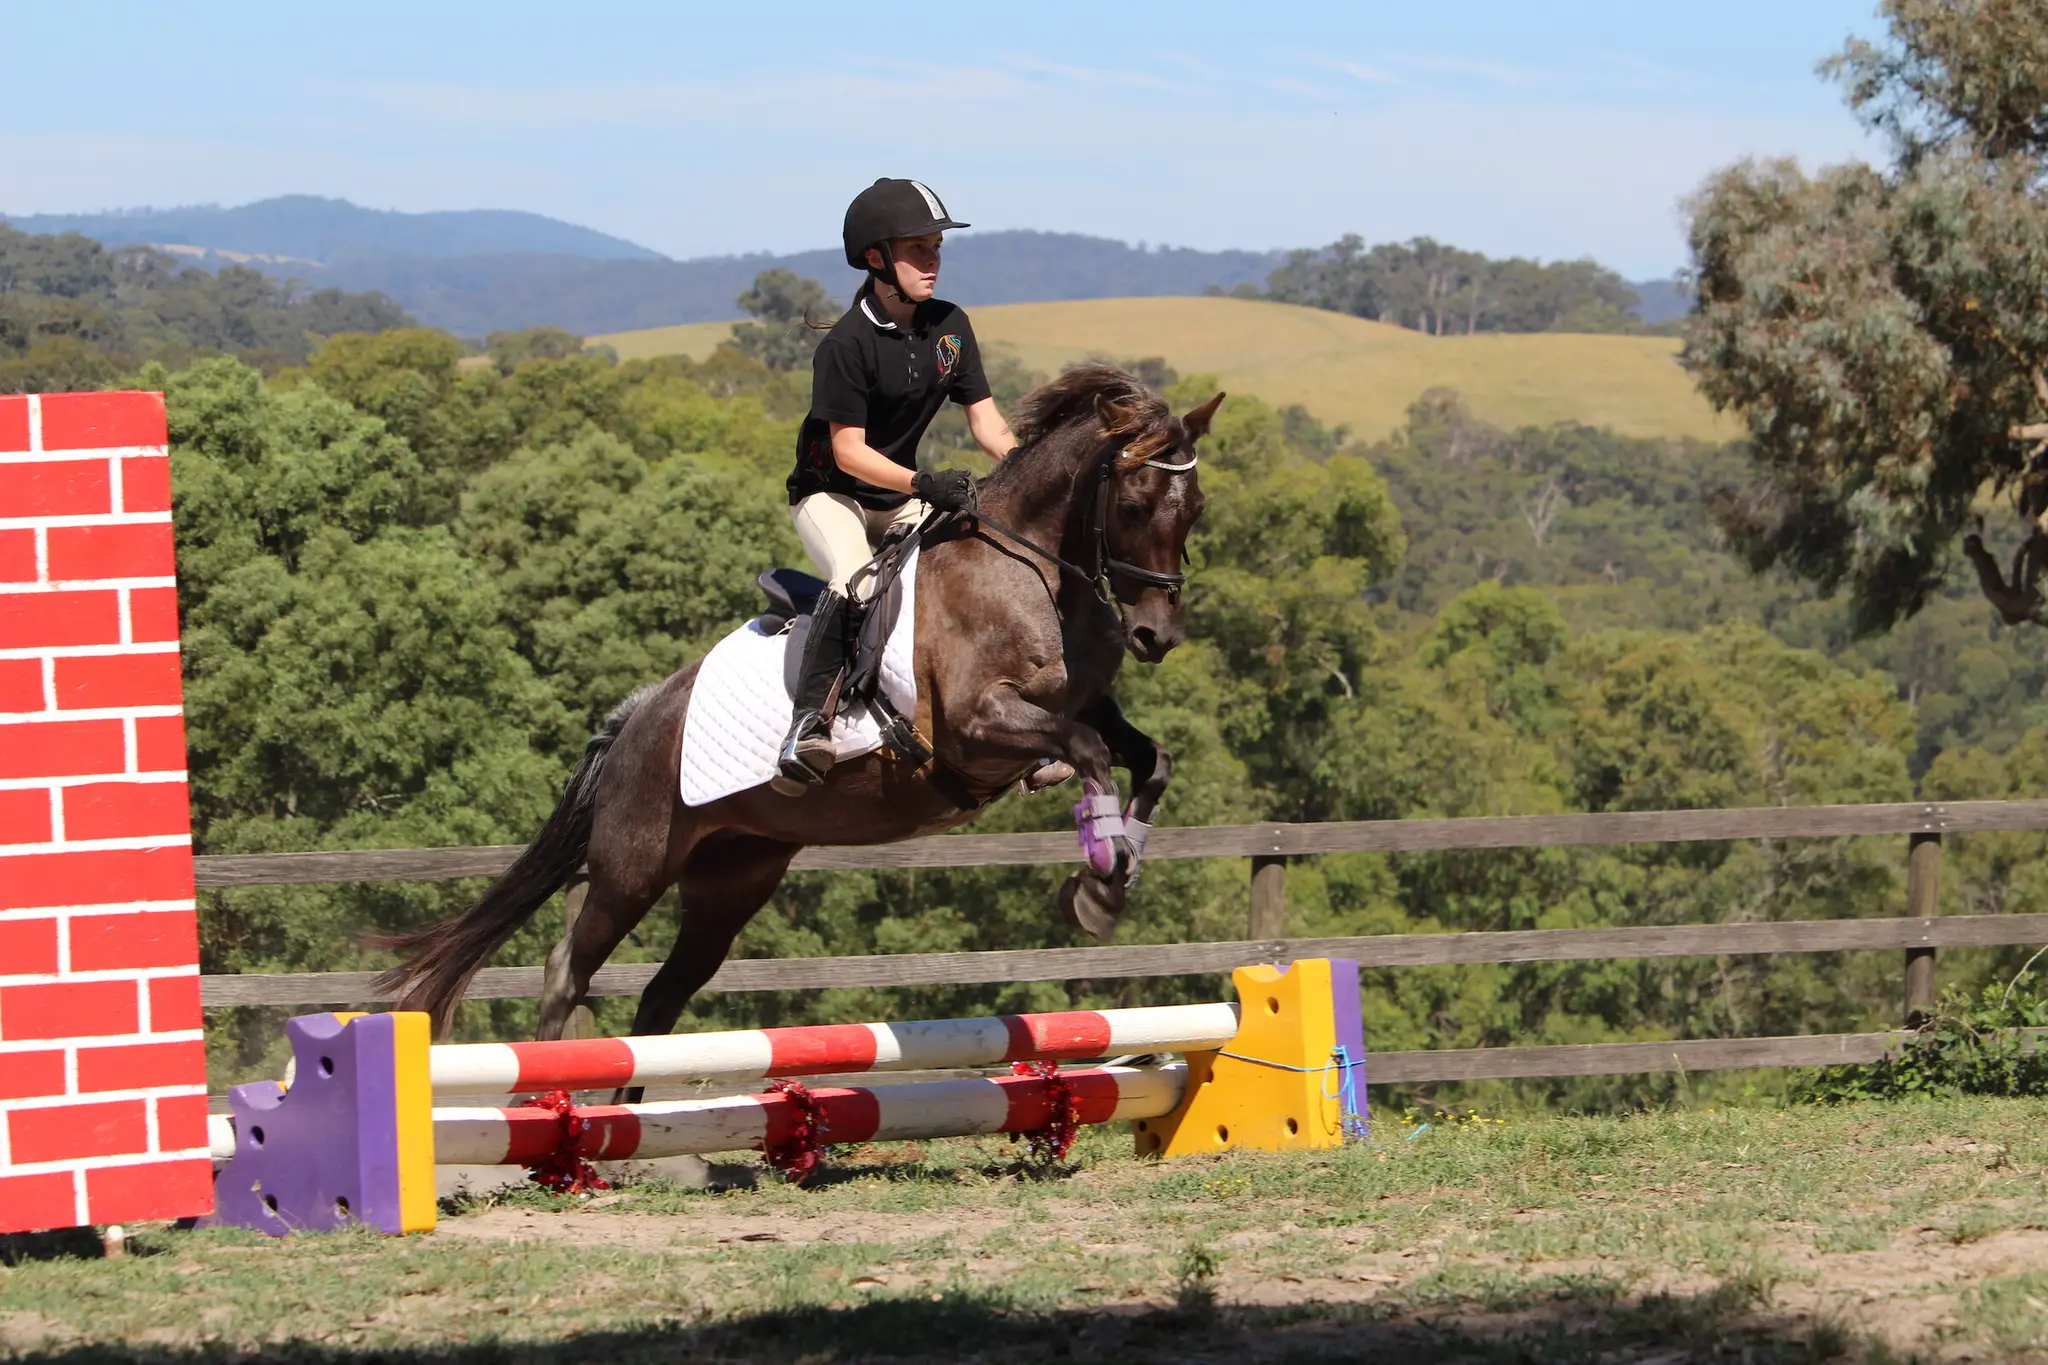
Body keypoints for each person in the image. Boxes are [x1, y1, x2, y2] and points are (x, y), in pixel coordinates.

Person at [775, 178, 1019, 792]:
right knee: (855, 581)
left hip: (904, 496)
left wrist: (1026, 468)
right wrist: (923, 481)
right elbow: (848, 452)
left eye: (937, 248)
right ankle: (810, 723)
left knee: (971, 569)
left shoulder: (950, 325)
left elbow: (986, 420)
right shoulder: (846, 345)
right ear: (877, 259)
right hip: (833, 495)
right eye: (919, 250)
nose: (933, 262)